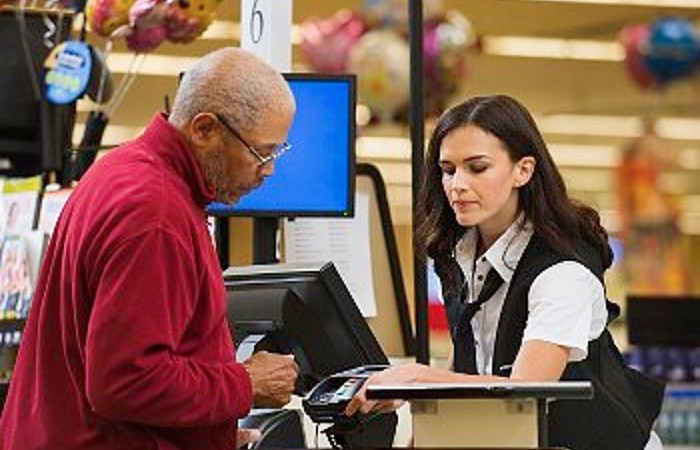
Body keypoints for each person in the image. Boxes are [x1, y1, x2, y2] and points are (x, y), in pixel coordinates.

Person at [0, 47, 300, 450]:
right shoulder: (155, 214)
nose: (269, 170)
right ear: (204, 129)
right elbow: (125, 381)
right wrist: (245, 382)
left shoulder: (123, 171)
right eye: (261, 152)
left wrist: (209, 432)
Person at [346, 95, 665, 450]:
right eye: (448, 170)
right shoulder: (461, 254)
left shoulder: (562, 269)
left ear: (523, 170)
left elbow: (524, 389)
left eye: (477, 167)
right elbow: (466, 364)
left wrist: (418, 379)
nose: (456, 185)